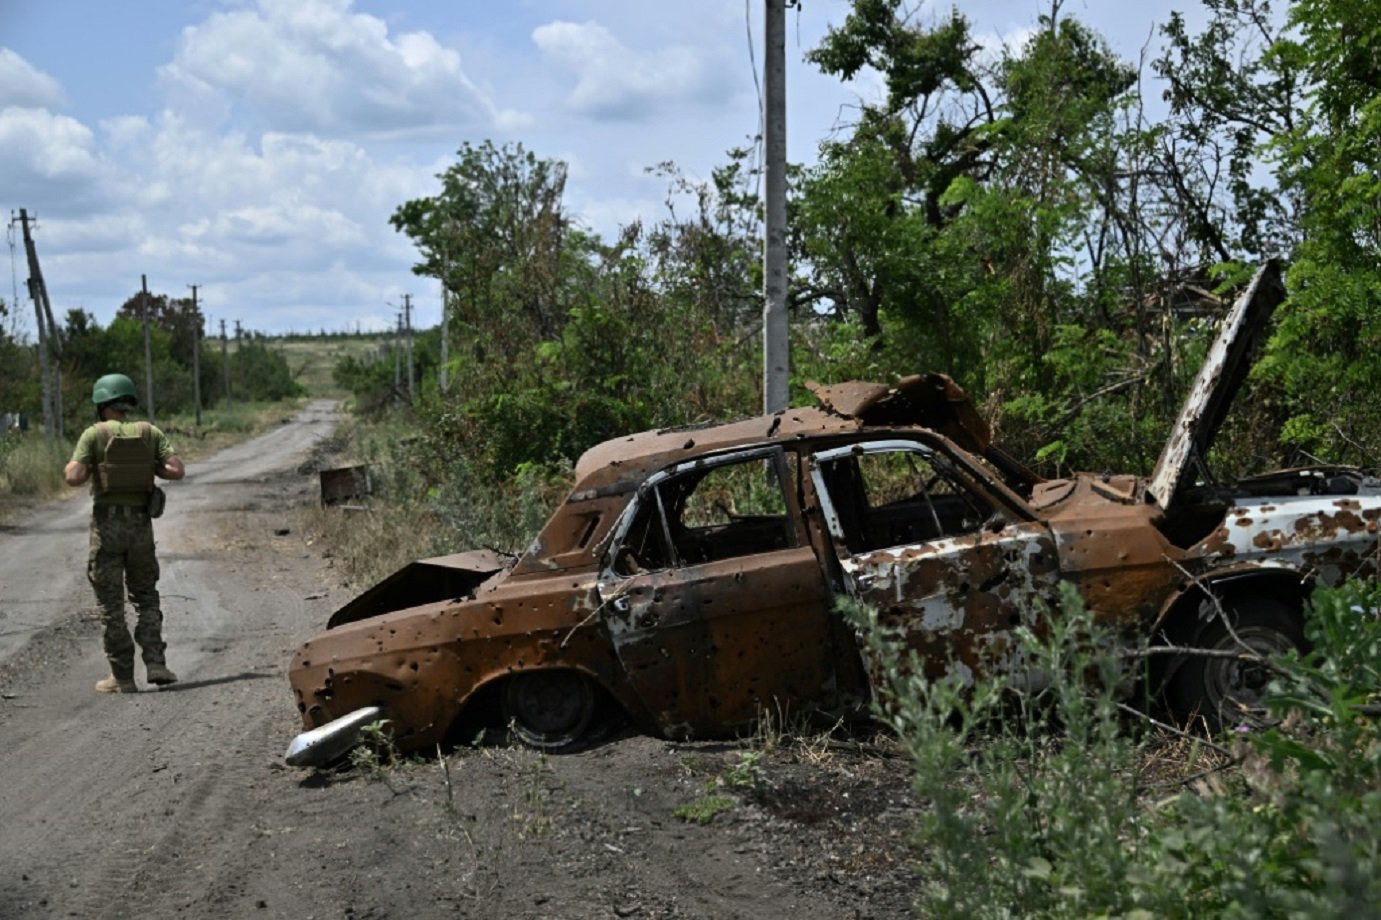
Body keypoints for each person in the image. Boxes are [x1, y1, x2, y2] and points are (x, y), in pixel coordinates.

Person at [64, 373, 185, 694]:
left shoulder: (94, 435)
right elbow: (176, 470)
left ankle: (122, 676)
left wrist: (95, 465)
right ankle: (156, 662)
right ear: (128, 402)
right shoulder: (150, 432)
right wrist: (150, 468)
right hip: (141, 528)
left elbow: (73, 477)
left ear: (101, 404)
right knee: (145, 596)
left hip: (107, 529)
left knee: (111, 604)